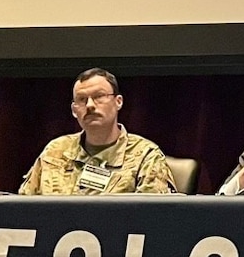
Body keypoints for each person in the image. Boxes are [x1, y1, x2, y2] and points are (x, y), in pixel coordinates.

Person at [19, 68, 176, 195]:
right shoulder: (55, 151)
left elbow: (154, 219)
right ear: (74, 110)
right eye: (82, 99)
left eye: (99, 96)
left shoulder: (145, 156)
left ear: (118, 102)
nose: (90, 105)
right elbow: (24, 208)